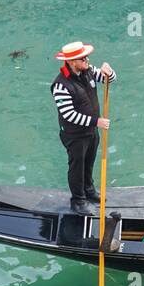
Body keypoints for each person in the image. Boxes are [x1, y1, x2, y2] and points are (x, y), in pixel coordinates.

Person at [51, 41, 116, 215]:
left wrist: (109, 72)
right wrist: (97, 122)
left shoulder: (88, 70)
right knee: (77, 167)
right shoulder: (60, 86)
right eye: (83, 58)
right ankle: (78, 201)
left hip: (91, 132)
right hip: (74, 135)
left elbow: (109, 79)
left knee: (89, 162)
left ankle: (89, 190)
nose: (87, 59)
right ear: (72, 62)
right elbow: (68, 114)